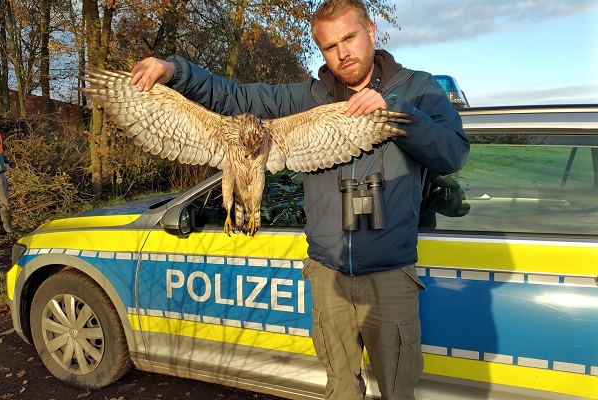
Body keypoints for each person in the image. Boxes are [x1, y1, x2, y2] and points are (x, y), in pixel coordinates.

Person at [130, 0, 469, 398]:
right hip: (328, 276)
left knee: (397, 390)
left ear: (371, 32)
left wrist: (396, 111)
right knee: (340, 390)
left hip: (390, 276)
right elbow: (234, 98)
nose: (342, 53)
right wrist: (176, 71)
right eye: (329, 46)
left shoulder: (418, 88)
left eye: (350, 38)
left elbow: (452, 153)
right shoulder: (305, 98)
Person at [0, 130, 17, 236]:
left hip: (0, 174)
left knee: (5, 202)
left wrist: (6, 161)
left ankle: (6, 229)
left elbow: (0, 151)